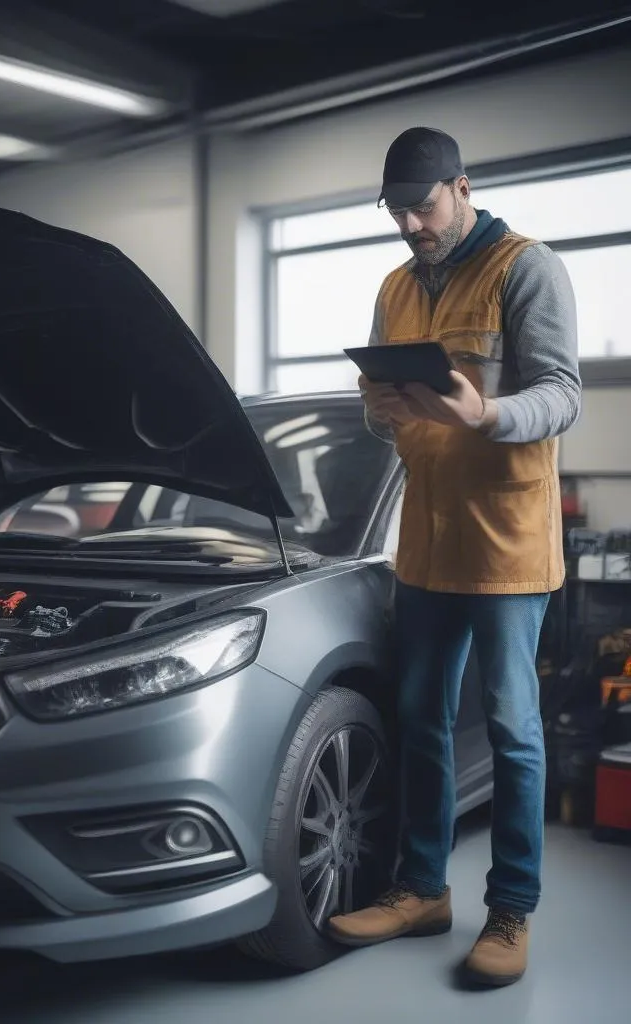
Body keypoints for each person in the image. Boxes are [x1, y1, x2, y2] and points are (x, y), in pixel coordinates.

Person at [326, 127, 581, 988]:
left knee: (511, 729)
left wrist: (486, 413)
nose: (409, 223)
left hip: (508, 541)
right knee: (421, 717)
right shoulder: (394, 286)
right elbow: (375, 411)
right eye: (396, 210)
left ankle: (511, 909)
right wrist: (386, 405)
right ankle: (420, 889)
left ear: (462, 187)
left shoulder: (524, 266)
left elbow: (561, 394)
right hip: (427, 538)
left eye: (422, 206)